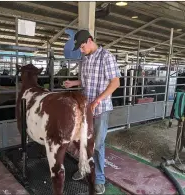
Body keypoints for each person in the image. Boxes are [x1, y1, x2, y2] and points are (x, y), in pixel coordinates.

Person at [64, 29, 121, 194]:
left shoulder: (106, 57)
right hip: (85, 107)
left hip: (100, 109)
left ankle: (99, 179)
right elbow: (86, 79)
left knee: (97, 144)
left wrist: (98, 100)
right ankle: (83, 169)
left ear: (89, 40)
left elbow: (115, 82)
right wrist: (74, 83)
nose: (81, 51)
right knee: (82, 140)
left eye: (82, 47)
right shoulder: (85, 58)